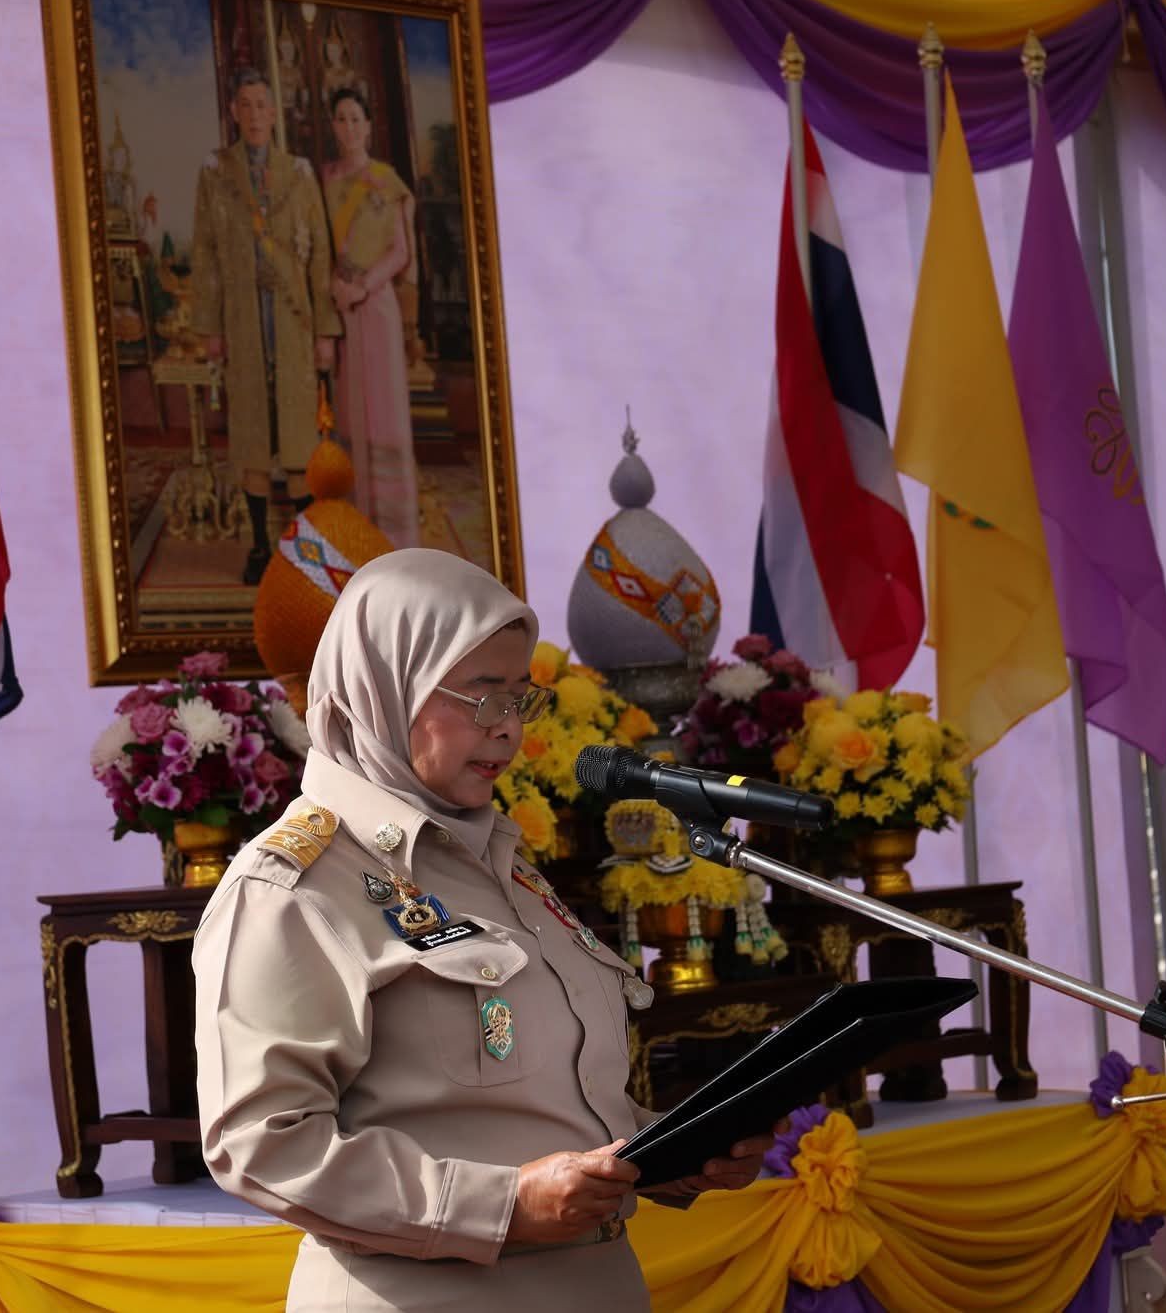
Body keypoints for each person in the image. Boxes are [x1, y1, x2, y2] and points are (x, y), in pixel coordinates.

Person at [194, 548, 771, 1311]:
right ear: (386, 686)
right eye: (482, 696)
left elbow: (539, 1101)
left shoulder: (499, 861)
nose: (508, 727)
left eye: (520, 697)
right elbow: (261, 1144)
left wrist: (669, 1150)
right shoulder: (292, 886)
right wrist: (501, 1205)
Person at [191, 66, 344, 585]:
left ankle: (304, 551)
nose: (254, 115)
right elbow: (206, 252)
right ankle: (259, 545)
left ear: (274, 114)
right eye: (245, 105)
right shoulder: (215, 173)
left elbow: (319, 255)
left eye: (262, 105)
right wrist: (210, 325)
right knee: (253, 432)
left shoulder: (298, 174)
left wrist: (325, 330)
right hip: (242, 321)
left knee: (299, 435)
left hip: (294, 320)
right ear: (234, 113)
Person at [321, 89, 420, 549]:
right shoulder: (324, 180)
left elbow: (399, 251)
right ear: (333, 126)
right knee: (348, 411)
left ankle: (393, 531)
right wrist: (334, 286)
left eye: (356, 118)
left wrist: (363, 287)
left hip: (375, 307)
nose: (349, 127)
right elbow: (316, 241)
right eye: (341, 119)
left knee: (383, 411)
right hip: (338, 308)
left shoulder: (385, 181)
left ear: (368, 125)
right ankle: (354, 521)